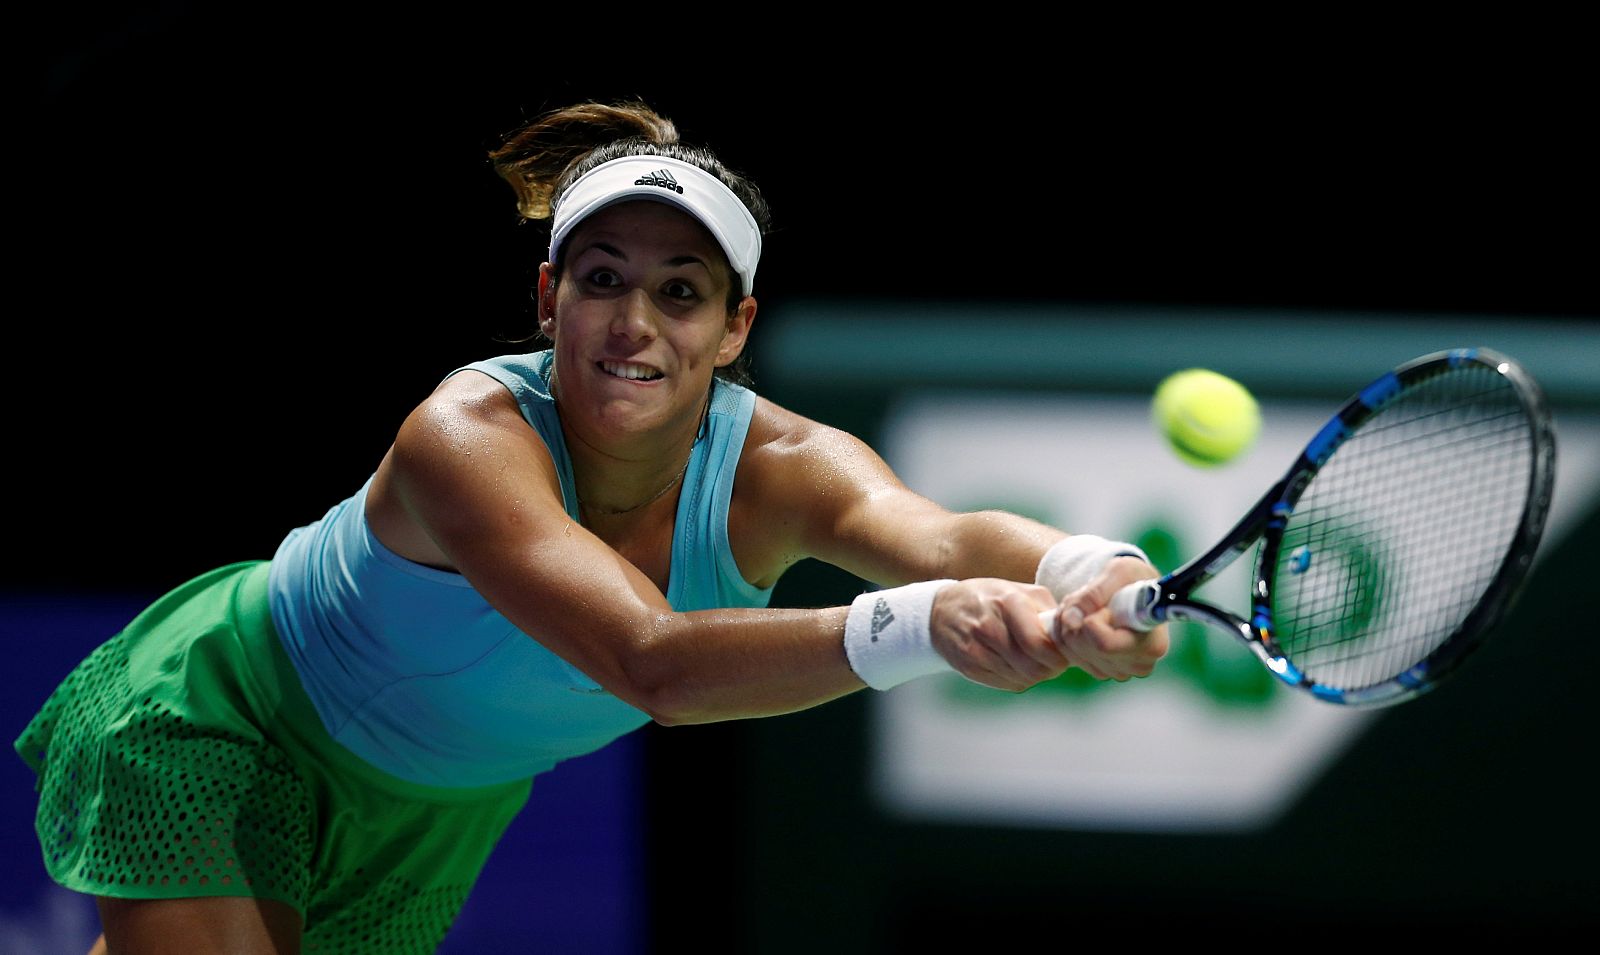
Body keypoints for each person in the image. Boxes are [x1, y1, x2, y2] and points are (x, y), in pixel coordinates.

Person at [14, 98, 1169, 955]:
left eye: (680, 292)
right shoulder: (464, 434)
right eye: (601, 278)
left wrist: (1087, 570)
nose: (633, 323)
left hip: (432, 810)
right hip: (232, 711)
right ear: (545, 298)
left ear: (733, 328)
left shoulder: (787, 467)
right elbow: (651, 661)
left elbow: (944, 536)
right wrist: (926, 626)